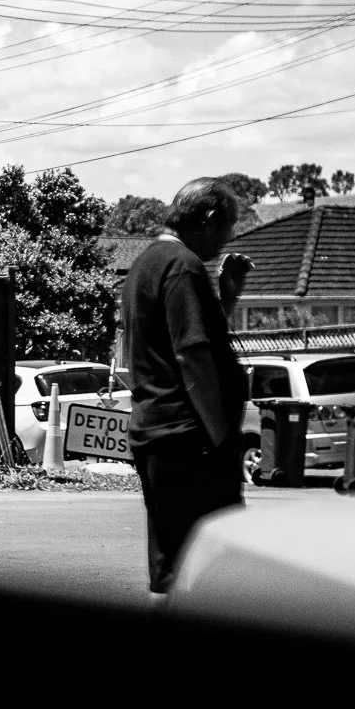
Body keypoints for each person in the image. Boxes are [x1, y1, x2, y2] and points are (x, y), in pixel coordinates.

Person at [121, 179, 253, 597]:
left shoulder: (146, 264)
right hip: (189, 439)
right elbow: (191, 354)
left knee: (173, 564)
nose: (229, 237)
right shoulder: (182, 265)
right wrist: (219, 435)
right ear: (210, 219)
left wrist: (224, 300)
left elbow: (181, 337)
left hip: (160, 434)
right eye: (228, 225)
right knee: (216, 567)